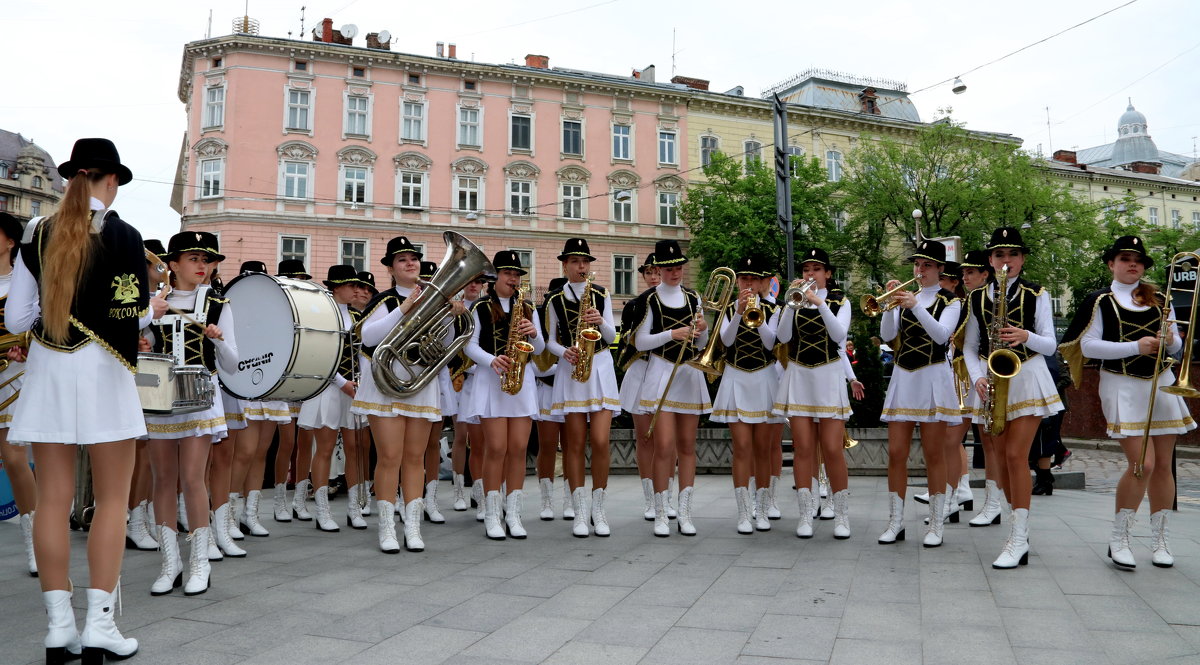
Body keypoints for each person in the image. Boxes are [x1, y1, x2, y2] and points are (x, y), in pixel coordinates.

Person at [9, 138, 155, 662]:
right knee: (112, 500)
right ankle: (101, 625)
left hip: (48, 370)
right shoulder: (126, 235)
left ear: (74, 177)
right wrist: (151, 307)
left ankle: (57, 628)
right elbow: (134, 316)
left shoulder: (34, 231)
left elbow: (15, 321)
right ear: (110, 181)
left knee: (52, 500)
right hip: (105, 373)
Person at [1060, 235, 1196, 568]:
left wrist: (1170, 340)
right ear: (1111, 264)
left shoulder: (1158, 297)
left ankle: (1159, 539)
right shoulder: (1100, 300)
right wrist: (1136, 346)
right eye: (1124, 258)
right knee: (1142, 465)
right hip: (1121, 385)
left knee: (1164, 466)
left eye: (1137, 260)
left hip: (1161, 383)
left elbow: (1177, 347)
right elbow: (1088, 347)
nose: (1132, 264)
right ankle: (1119, 537)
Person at [143, 231, 238, 596]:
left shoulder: (218, 304)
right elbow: (143, 351)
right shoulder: (152, 304)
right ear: (173, 264)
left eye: (206, 259)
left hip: (200, 396)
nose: (202, 266)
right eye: (194, 258)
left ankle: (200, 563)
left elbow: (232, 364)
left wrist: (218, 339)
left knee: (193, 477)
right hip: (159, 397)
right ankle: (170, 564)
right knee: (163, 480)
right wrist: (143, 337)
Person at [963, 227, 1063, 569]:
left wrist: (1026, 336)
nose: (1007, 260)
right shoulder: (976, 297)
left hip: (1029, 377)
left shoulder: (1037, 293)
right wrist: (976, 377)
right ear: (990, 260)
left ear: (1022, 259)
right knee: (1003, 458)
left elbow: (1051, 344)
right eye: (1000, 255)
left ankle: (1018, 538)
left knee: (1017, 456)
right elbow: (969, 346)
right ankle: (1016, 524)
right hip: (992, 381)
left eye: (1013, 254)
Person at [355, 237, 455, 552]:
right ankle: (387, 529)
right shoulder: (384, 301)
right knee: (389, 457)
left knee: (415, 459)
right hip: (384, 384)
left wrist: (452, 313)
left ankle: (412, 527)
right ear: (390, 268)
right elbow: (367, 337)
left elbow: (448, 342)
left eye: (413, 258)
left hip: (419, 383)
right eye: (402, 260)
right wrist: (405, 307)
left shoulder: (434, 299)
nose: (410, 263)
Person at [874, 241, 962, 547]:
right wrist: (888, 307)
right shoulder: (906, 298)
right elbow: (887, 336)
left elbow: (940, 336)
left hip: (933, 377)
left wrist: (915, 305)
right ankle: (895, 522)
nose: (919, 270)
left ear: (940, 268)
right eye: (917, 264)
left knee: (934, 455)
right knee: (896, 454)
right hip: (904, 377)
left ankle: (936, 524)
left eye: (926, 265)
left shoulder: (951, 302)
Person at [463, 251, 544, 540]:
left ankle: (514, 513)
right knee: (495, 448)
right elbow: (469, 345)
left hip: (522, 383)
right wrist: (490, 360)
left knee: (519, 449)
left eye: (517, 274)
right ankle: (492, 513)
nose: (513, 278)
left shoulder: (527, 307)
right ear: (494, 276)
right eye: (507, 273)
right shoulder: (481, 307)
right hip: (491, 381)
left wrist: (534, 332)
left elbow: (542, 348)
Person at [633, 240, 710, 537]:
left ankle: (686, 512)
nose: (674, 272)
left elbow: (701, 344)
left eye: (678, 267)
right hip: (661, 374)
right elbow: (640, 342)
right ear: (659, 269)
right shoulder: (650, 300)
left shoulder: (694, 298)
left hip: (689, 375)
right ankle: (662, 512)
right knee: (664, 446)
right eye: (668, 268)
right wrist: (671, 333)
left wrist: (700, 332)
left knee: (688, 447)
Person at [774, 248, 852, 540]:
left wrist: (819, 302)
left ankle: (841, 514)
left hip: (828, 376)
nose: (810, 275)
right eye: (807, 269)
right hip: (799, 375)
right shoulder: (795, 301)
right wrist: (789, 305)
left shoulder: (840, 301)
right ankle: (806, 514)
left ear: (827, 274)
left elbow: (838, 335)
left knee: (832, 448)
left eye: (817, 269)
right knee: (803, 448)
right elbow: (782, 338)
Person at [545, 239, 621, 537]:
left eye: (585, 262)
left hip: (600, 366)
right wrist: (563, 351)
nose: (581, 267)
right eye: (575, 262)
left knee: (601, 441)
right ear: (565, 265)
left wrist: (600, 320)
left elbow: (613, 334)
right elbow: (549, 339)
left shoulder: (601, 294)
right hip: (571, 369)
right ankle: (578, 511)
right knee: (574, 444)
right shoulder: (553, 299)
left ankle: (598, 509)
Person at [711, 255, 779, 534]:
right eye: (744, 278)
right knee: (741, 449)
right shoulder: (728, 309)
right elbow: (725, 341)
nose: (748, 283)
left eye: (753, 279)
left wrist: (758, 316)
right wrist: (739, 312)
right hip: (736, 377)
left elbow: (772, 342)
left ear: (763, 282)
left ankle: (761, 509)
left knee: (763, 450)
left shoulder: (775, 310)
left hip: (764, 378)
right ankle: (743, 513)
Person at [298, 265, 367, 532]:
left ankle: (354, 508)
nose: (356, 290)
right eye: (351, 286)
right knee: (324, 448)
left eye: (357, 286)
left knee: (354, 447)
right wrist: (341, 383)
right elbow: (316, 354)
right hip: (328, 385)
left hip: (353, 387)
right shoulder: (321, 315)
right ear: (336, 287)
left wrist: (359, 384)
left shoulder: (356, 316)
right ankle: (323, 510)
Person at [617, 253, 671, 521]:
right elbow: (629, 339)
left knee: (666, 438)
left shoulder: (677, 300)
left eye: (656, 271)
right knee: (644, 437)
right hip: (641, 370)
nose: (653, 276)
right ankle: (650, 497)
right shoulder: (636, 305)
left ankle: (665, 494)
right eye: (648, 272)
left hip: (666, 372)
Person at [0, 212, 37, 577]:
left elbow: (35, 324)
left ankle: (34, 538)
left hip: (15, 377)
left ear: (11, 242)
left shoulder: (23, 283)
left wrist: (25, 348)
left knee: (13, 458)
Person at [449, 274, 487, 511]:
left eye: (478, 281)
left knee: (484, 439)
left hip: (483, 377)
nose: (473, 285)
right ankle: (459, 490)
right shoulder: (454, 309)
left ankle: (481, 489)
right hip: (460, 378)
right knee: (461, 436)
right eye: (468, 281)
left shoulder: (486, 307)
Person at [533, 277, 567, 520]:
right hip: (547, 390)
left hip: (572, 391)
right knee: (546, 446)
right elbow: (535, 366)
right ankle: (546, 500)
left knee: (572, 447)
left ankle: (569, 498)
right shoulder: (540, 320)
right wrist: (563, 367)